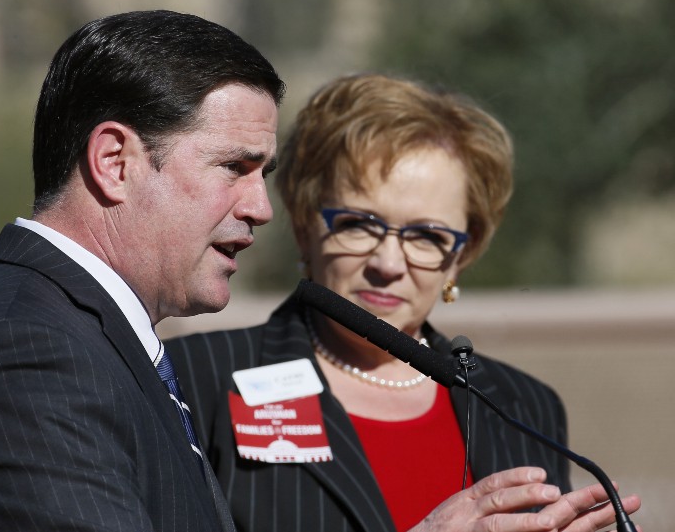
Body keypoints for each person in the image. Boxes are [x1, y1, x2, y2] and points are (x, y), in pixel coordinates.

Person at [166, 74, 641, 532]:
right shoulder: (194, 378)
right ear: (307, 228)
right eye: (358, 224)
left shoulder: (522, 405)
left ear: (459, 256)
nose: (388, 263)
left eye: (427, 235)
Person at [0, 10, 284, 532]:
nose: (261, 207)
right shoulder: (21, 356)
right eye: (235, 167)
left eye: (263, 173)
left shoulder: (77, 339)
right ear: (115, 162)